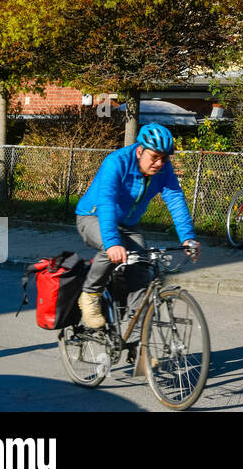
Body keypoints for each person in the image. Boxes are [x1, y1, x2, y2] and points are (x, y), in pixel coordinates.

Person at [75, 123, 200, 330]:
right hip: (93, 216)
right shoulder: (116, 162)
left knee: (142, 272)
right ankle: (90, 295)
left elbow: (175, 199)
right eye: (155, 157)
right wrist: (113, 242)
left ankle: (137, 347)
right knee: (109, 248)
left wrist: (187, 238)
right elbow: (106, 201)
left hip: (129, 224)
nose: (160, 163)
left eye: (165, 158)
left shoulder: (163, 169)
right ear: (140, 150)